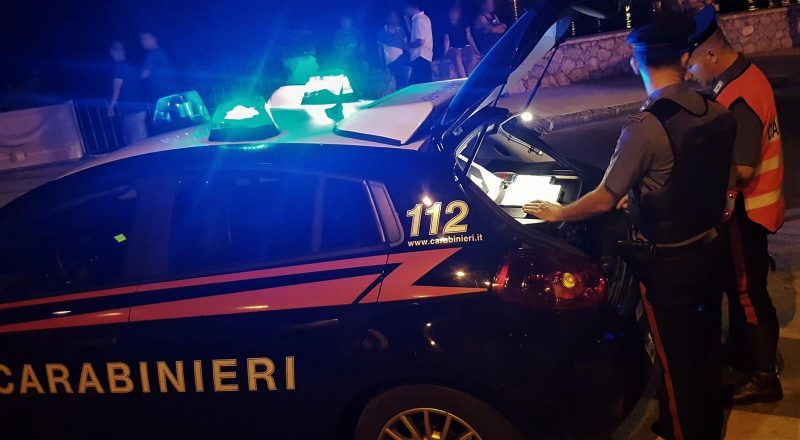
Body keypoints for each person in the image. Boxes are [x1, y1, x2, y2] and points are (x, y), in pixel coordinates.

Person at [524, 12, 736, 440]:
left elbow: (604, 197)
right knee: (705, 348)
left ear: (636, 62)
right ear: (684, 57)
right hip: (711, 251)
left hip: (669, 266)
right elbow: (700, 177)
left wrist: (559, 213)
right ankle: (705, 422)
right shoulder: (715, 110)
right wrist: (645, 195)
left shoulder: (645, 128)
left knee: (676, 365)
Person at [685, 5, 785, 405]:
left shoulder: (740, 94)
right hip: (754, 208)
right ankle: (744, 355)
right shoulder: (745, 77)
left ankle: (763, 378)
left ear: (711, 54)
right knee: (741, 287)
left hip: (748, 211)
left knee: (747, 292)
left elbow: (742, 169)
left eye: (693, 64)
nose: (690, 73)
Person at [107, 41, 148, 145]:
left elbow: (116, 88)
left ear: (112, 52)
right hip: (139, 106)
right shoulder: (131, 67)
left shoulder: (119, 68)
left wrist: (111, 106)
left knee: (135, 142)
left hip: (131, 110)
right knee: (138, 140)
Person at [443, 1, 480, 78]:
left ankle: (470, 76)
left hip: (464, 46)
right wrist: (445, 54)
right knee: (457, 56)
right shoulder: (446, 24)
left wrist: (476, 50)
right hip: (452, 48)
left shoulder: (464, 21)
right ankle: (463, 78)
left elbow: (469, 37)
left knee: (473, 56)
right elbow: (446, 40)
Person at [140, 31, 176, 102]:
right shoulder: (161, 52)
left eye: (146, 39)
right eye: (142, 40)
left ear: (154, 39)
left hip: (162, 93)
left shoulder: (152, 54)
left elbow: (144, 75)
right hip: (170, 90)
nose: (143, 42)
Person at [377, 10, 409, 90]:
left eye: (396, 17)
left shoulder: (401, 30)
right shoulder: (382, 32)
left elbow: (405, 46)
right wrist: (382, 64)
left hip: (401, 61)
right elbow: (379, 49)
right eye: (393, 17)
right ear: (388, 18)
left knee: (401, 81)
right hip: (389, 62)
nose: (395, 19)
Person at [403, 1, 433, 85]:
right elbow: (415, 35)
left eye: (405, 9)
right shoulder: (423, 18)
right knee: (422, 85)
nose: (405, 11)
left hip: (420, 57)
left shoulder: (419, 20)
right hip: (423, 57)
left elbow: (420, 41)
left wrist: (408, 46)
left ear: (410, 7)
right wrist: (407, 23)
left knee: (417, 86)